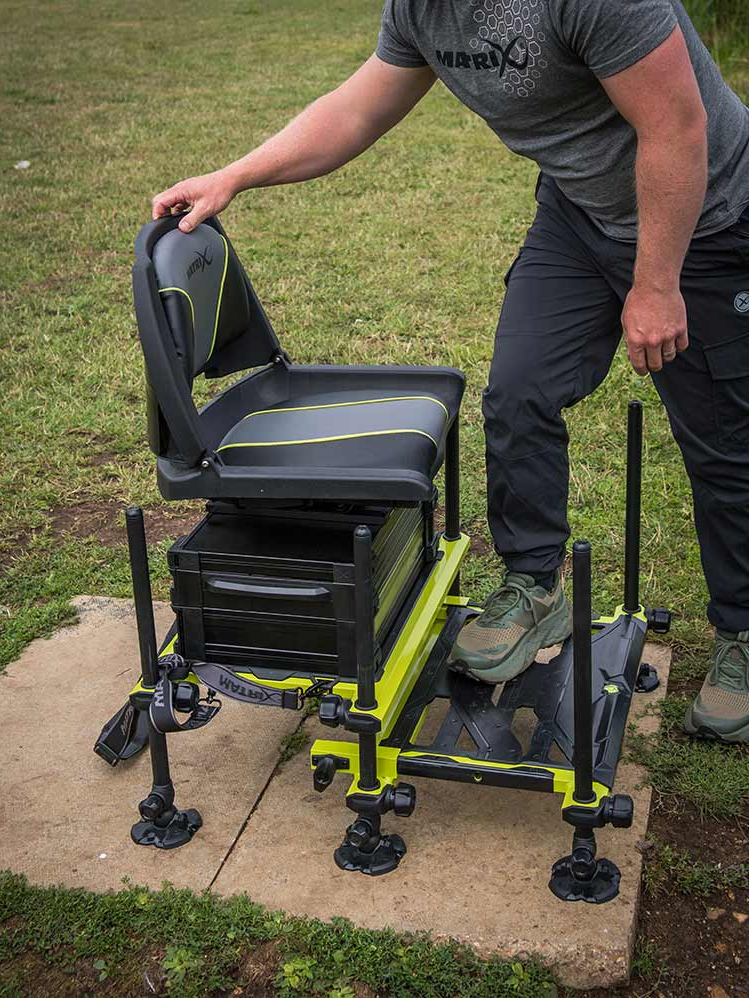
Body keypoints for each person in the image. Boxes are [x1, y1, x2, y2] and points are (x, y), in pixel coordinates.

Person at [152, 0, 749, 744]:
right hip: (580, 217)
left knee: (724, 443)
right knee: (518, 391)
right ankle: (535, 585)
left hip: (709, 218)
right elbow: (355, 110)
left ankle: (742, 633)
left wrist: (656, 284)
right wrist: (235, 176)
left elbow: (677, 128)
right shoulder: (420, 8)